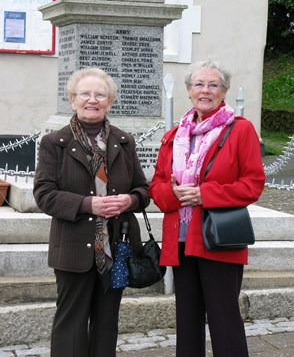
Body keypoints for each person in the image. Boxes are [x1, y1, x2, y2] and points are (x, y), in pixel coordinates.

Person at [148, 59, 265, 357]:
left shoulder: (240, 130)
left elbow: (252, 184)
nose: (205, 90)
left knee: (224, 319)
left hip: (218, 238)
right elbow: (158, 185)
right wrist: (174, 195)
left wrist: (204, 194)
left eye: (213, 85)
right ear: (188, 90)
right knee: (186, 322)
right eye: (199, 84)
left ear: (224, 91)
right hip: (181, 240)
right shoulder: (174, 135)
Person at [33, 67, 149, 357]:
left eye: (101, 94)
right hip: (74, 247)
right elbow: (44, 195)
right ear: (73, 99)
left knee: (107, 323)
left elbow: (142, 190)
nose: (92, 99)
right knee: (70, 324)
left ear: (110, 102)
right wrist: (89, 205)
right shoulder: (54, 143)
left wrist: (129, 202)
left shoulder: (124, 141)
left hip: (116, 249)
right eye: (85, 93)